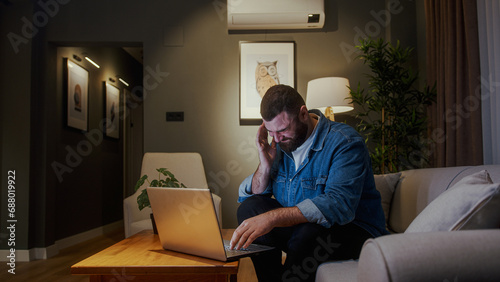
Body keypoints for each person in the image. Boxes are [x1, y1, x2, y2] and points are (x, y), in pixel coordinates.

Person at [230, 85, 388, 282]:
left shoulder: (345, 142)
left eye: (283, 130)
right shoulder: (280, 144)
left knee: (307, 233)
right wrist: (265, 164)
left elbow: (338, 206)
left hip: (353, 230)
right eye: (271, 132)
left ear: (303, 113)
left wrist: (272, 218)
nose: (277, 139)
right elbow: (249, 194)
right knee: (249, 209)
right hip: (304, 229)